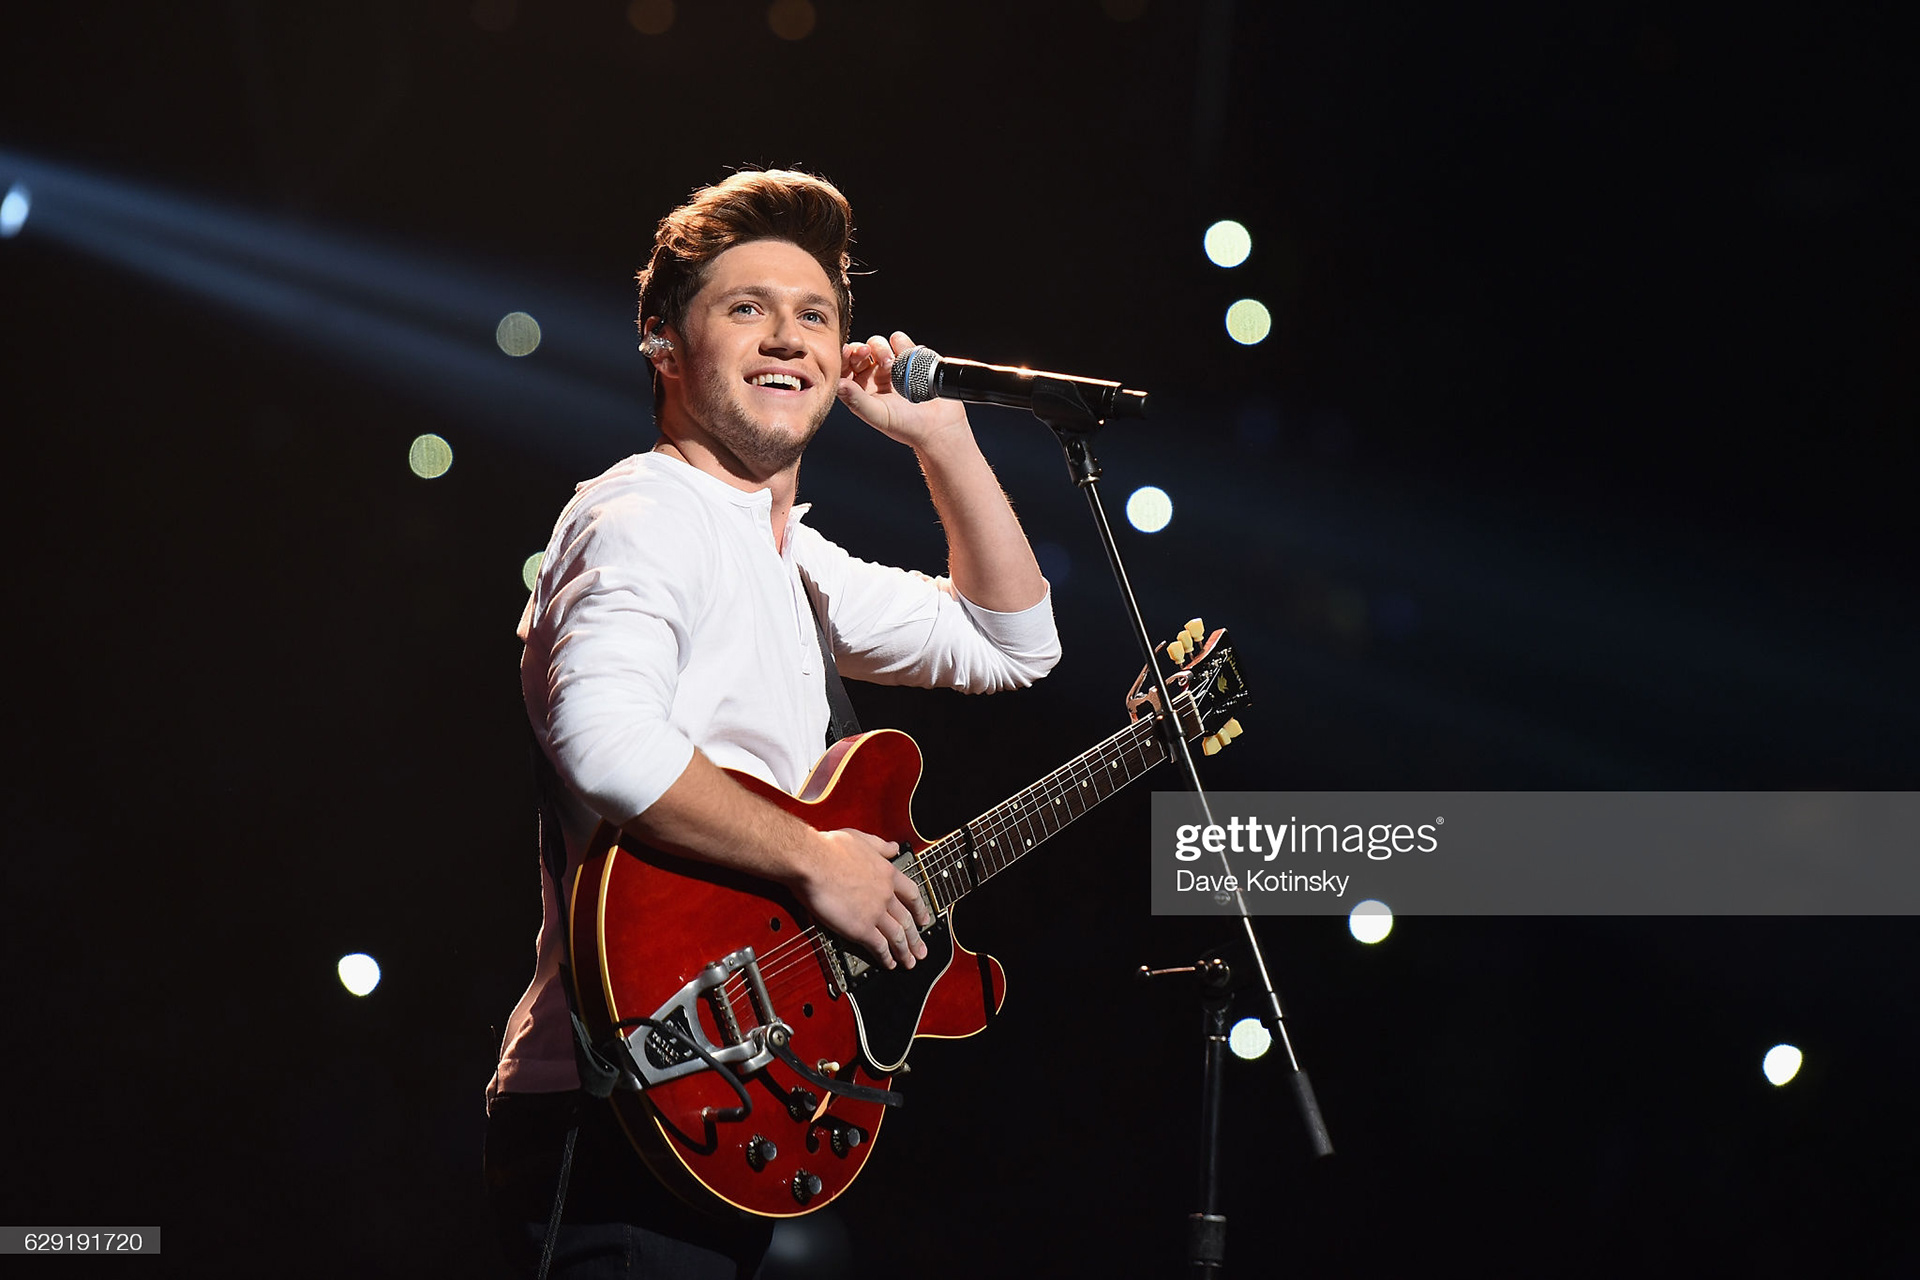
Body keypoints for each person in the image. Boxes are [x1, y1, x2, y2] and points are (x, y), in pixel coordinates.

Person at [483, 168, 1061, 1279]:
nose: (786, 334)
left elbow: (1014, 642)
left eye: (815, 314)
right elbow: (605, 740)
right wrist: (816, 860)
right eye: (746, 307)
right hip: (620, 1103)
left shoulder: (788, 554)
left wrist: (940, 439)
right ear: (662, 337)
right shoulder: (643, 515)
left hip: (723, 1082)